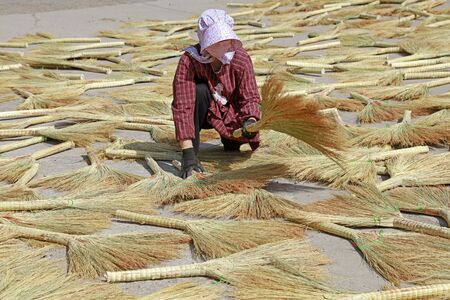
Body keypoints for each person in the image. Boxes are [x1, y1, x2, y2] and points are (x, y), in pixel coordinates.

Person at [172, 8, 262, 179]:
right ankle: (192, 151)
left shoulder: (240, 59)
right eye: (217, 40)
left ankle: (230, 138)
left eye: (226, 39)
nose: (224, 44)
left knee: (232, 148)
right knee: (199, 91)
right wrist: (187, 153)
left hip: (231, 114)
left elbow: (250, 97)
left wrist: (250, 121)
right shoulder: (189, 60)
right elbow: (182, 106)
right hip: (203, 111)